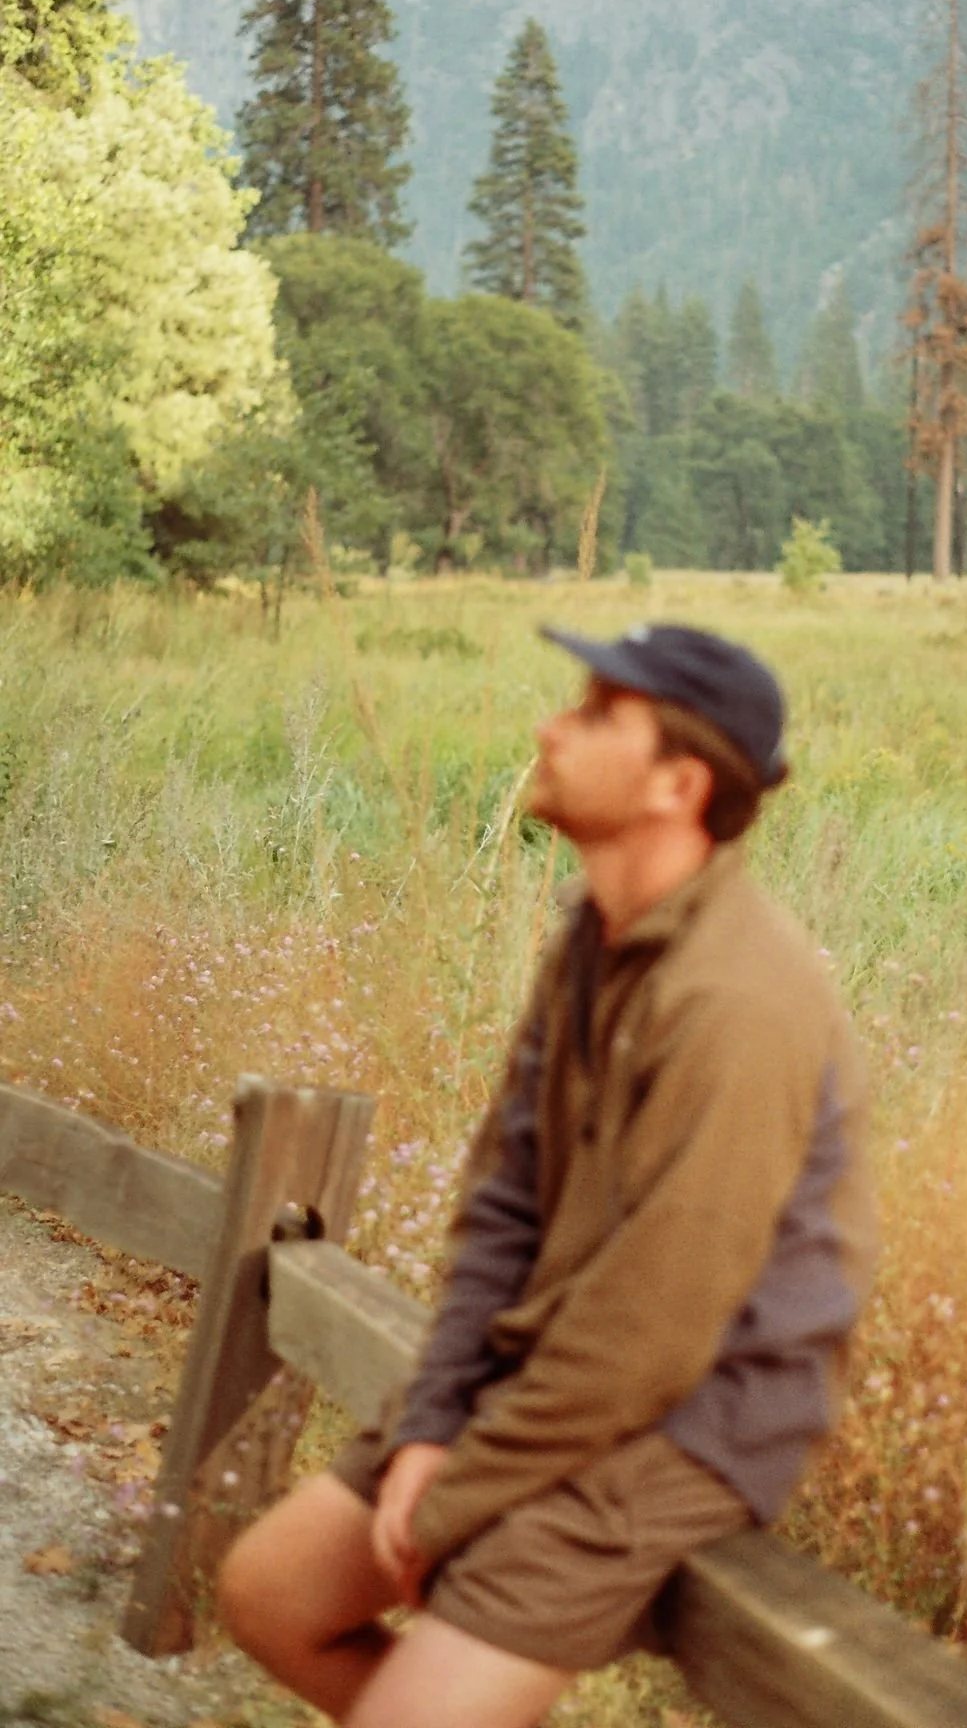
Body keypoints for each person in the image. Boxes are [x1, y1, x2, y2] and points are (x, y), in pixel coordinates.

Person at [219, 621, 875, 1728]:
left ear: (677, 783)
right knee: (269, 1593)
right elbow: (504, 1208)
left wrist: (454, 1499)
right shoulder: (592, 931)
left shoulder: (739, 1000)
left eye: (596, 713)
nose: (549, 727)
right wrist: (433, 1426)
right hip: (552, 1376)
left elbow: (657, 1331)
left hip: (686, 1422)